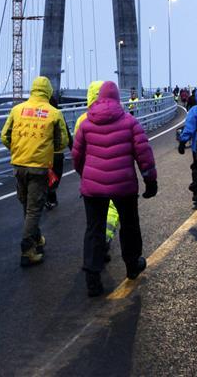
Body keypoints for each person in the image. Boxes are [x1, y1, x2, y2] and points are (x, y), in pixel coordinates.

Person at [72, 81, 157, 297]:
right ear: (118, 98)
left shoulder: (86, 123)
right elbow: (144, 155)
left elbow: (76, 155)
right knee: (129, 225)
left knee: (94, 229)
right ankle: (132, 266)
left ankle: (92, 276)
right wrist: (150, 181)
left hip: (92, 188)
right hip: (124, 186)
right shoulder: (130, 122)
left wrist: (86, 175)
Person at [0, 76, 69, 267]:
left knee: (26, 205)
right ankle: (28, 250)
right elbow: (62, 142)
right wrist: (46, 148)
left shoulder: (17, 110)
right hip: (39, 167)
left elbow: (4, 136)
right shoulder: (54, 113)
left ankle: (36, 238)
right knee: (33, 208)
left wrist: (17, 149)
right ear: (48, 91)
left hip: (19, 165)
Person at [73, 81, 120, 260]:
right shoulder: (119, 115)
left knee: (93, 218)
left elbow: (77, 151)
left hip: (90, 175)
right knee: (112, 210)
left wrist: (82, 172)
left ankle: (93, 257)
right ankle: (105, 242)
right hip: (114, 175)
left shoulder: (81, 120)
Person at [45, 94, 71, 210]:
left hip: (42, 153)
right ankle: (50, 197)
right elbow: (66, 134)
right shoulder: (57, 114)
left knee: (46, 177)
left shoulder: (41, 115)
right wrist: (72, 149)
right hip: (57, 154)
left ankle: (50, 198)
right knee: (55, 178)